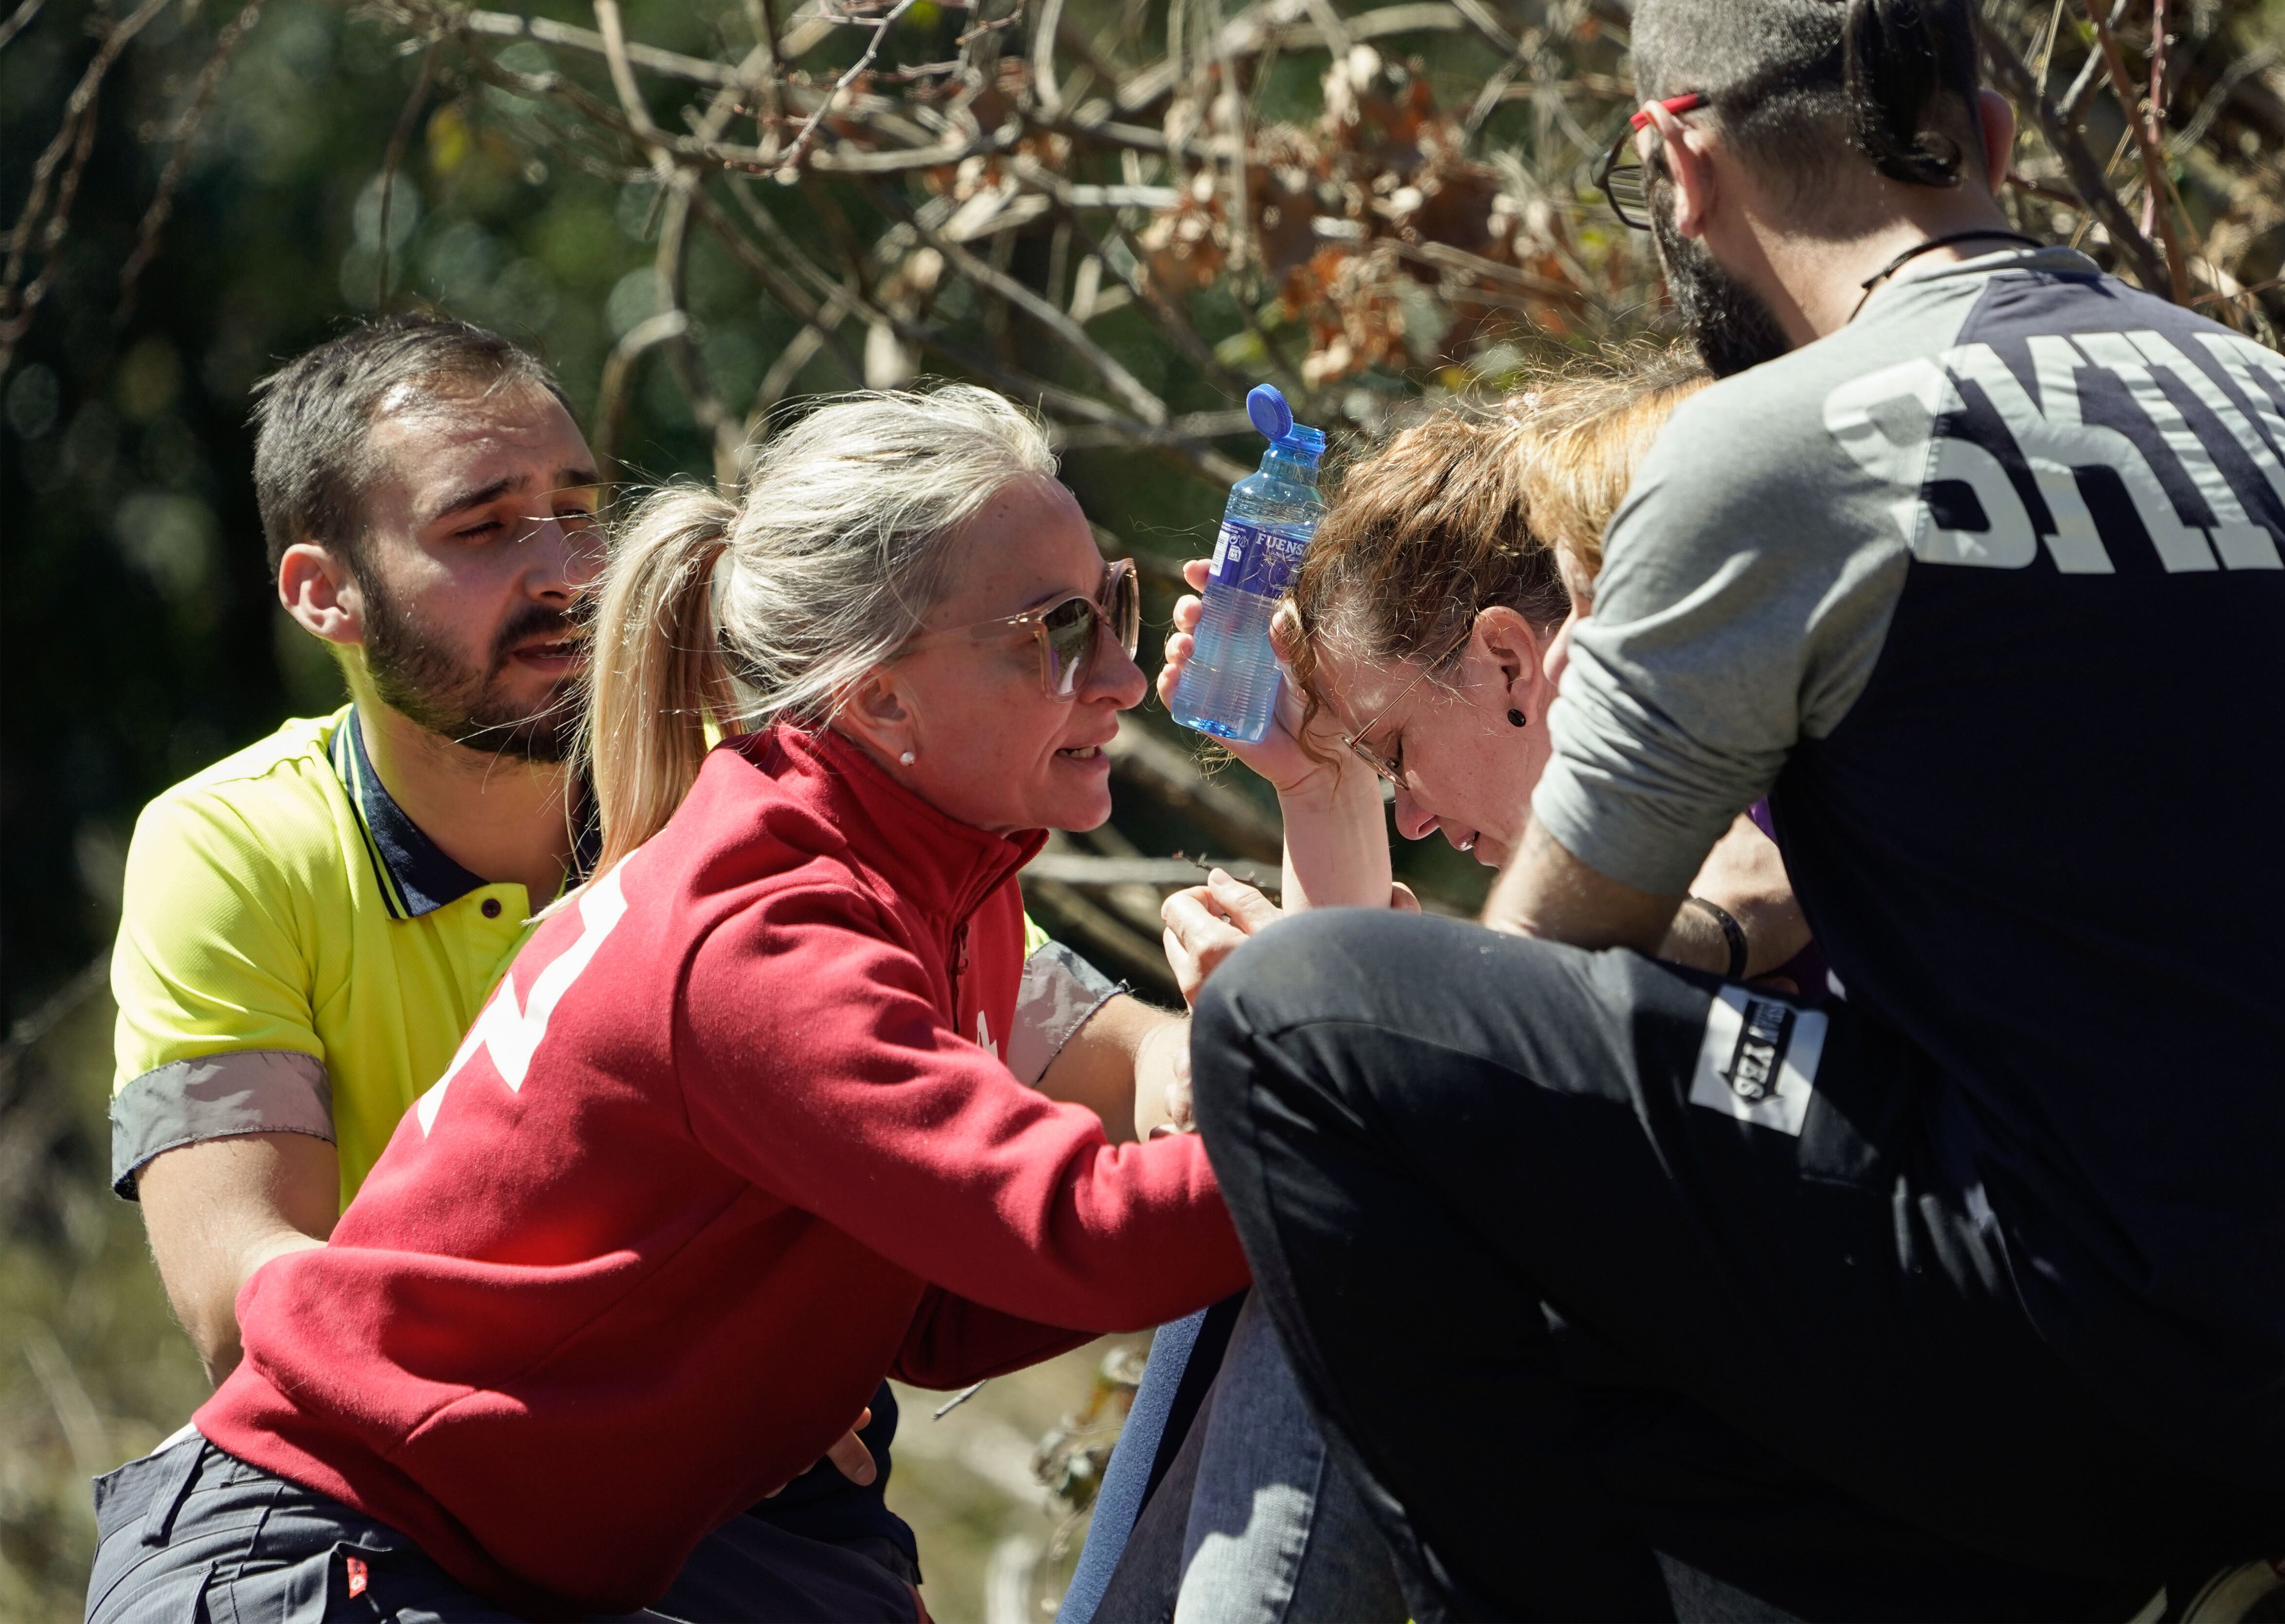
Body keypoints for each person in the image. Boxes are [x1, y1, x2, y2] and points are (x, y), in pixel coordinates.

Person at [1186, 0, 2285, 1617]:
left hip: (2092, 1353)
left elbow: (1530, 1014)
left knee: (1304, 1024)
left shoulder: (1785, 444)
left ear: (1681, 163)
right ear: (1992, 141)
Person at [85, 384, 1248, 1624]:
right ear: (880, 697)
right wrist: (1356, 1136)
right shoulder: (771, 926)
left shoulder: (938, 889)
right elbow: (1068, 1224)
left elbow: (938, 1308)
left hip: (476, 1560)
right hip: (326, 1561)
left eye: (1113, 604)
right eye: (1056, 628)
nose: (1123, 676)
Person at [102, 313, 943, 1581]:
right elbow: (241, 1296)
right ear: (322, 592)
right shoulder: (228, 843)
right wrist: (692, 1373)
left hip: (748, 1516)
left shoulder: (754, 795)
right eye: (484, 528)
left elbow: (1073, 1041)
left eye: (578, 508)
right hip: (378, 1490)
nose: (567, 569)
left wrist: (1271, 997)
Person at [1070, 363, 1798, 1624]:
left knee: (1345, 1203)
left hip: (1787, 1445)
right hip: (1706, 1400)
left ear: (1515, 657)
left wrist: (1393, 1002)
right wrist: (1320, 792)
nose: (1410, 810)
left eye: (1396, 750)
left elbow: (1740, 893)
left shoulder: (1756, 776)